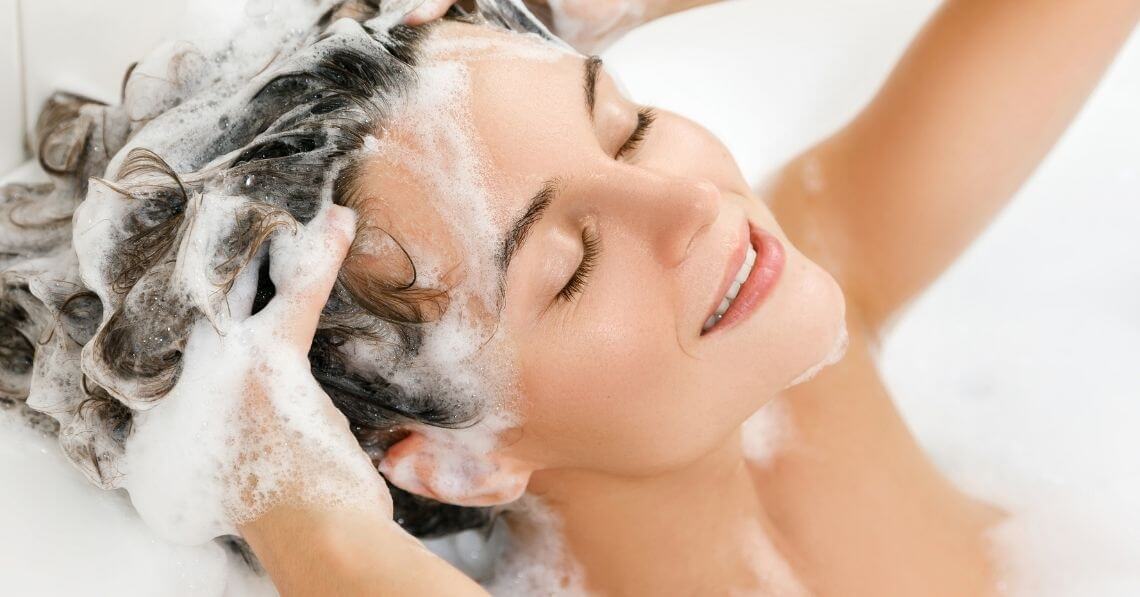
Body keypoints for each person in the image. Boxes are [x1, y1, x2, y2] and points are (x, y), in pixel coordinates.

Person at [2, 0, 1137, 595]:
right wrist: (285, 498)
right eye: (570, 266)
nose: (689, 208)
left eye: (626, 124)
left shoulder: (812, 275)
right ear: (455, 458)